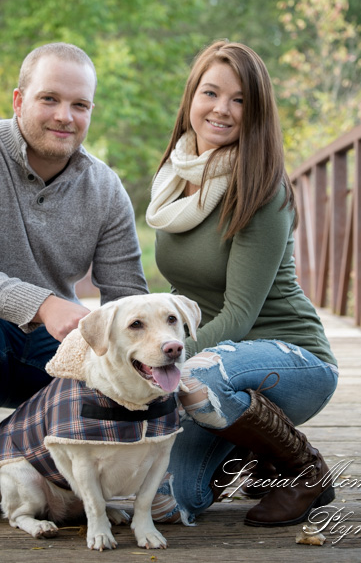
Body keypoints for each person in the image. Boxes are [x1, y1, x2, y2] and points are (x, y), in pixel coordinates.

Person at [0, 42, 148, 527]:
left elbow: (126, 296)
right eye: (49, 99)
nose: (65, 116)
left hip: (54, 353)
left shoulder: (105, 188)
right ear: (18, 101)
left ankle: (86, 470)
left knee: (115, 349)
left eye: (79, 105)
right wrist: (44, 303)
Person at [145, 40, 339, 527]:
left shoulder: (261, 188)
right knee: (173, 499)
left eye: (240, 101)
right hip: (212, 365)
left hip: (291, 358)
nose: (222, 110)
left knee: (199, 375)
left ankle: (301, 467)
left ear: (256, 114)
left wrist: (158, 360)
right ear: (191, 96)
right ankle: (253, 448)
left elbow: (238, 316)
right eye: (211, 93)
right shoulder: (174, 179)